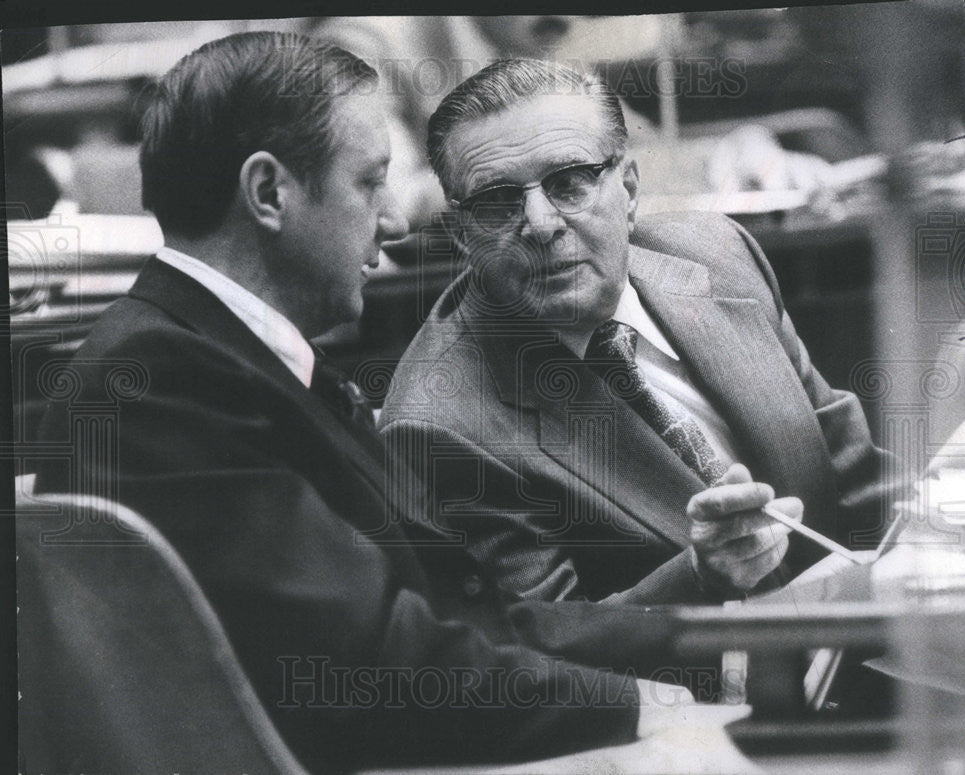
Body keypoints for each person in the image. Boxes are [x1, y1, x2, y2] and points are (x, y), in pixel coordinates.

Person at [31, 33, 702, 773]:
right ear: (267, 193)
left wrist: (732, 652)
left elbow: (471, 619)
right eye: (369, 183)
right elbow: (385, 675)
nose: (393, 222)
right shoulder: (157, 383)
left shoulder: (222, 359)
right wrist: (664, 707)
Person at [379, 58, 906, 605]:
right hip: (704, 686)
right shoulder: (439, 426)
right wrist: (700, 576)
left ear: (628, 190)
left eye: (569, 182)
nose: (540, 224)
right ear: (464, 236)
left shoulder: (718, 254)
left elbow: (857, 480)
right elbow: (544, 650)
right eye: (496, 202)